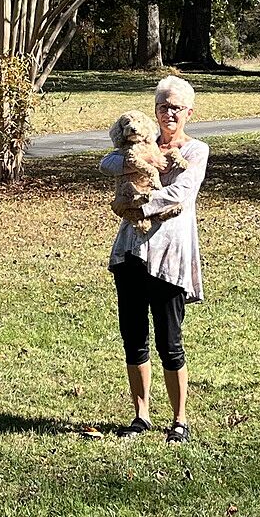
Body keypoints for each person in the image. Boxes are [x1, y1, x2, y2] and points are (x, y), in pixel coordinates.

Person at [99, 75, 208, 444]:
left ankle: (179, 420)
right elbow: (107, 162)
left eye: (176, 107)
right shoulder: (141, 142)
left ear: (189, 112)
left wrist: (138, 203)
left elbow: (181, 193)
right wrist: (136, 158)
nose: (169, 113)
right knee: (133, 336)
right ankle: (141, 415)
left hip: (169, 257)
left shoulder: (196, 151)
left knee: (169, 341)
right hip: (130, 252)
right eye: (163, 106)